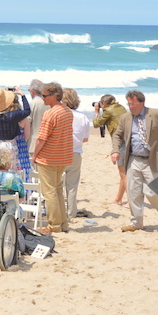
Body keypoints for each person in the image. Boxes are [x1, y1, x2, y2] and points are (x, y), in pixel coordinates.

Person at [111, 90, 158, 232]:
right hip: (133, 159)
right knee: (133, 192)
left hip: (152, 160)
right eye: (129, 104)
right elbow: (117, 135)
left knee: (153, 192)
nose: (131, 107)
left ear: (142, 102)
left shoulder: (156, 114)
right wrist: (115, 150)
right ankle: (136, 223)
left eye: (133, 104)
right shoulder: (125, 117)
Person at [32, 82, 73, 234]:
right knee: (57, 190)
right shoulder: (67, 111)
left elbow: (41, 138)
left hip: (49, 157)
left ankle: (54, 225)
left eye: (45, 95)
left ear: (54, 96)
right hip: (62, 156)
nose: (42, 98)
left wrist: (35, 155)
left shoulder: (50, 113)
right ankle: (63, 223)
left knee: (49, 192)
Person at [0, 87, 30, 177]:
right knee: (9, 173)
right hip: (9, 145)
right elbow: (27, 111)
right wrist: (22, 95)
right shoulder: (12, 115)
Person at [93, 94, 128, 206]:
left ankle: (131, 202)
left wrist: (97, 112)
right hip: (129, 139)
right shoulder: (121, 107)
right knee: (123, 172)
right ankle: (118, 199)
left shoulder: (107, 111)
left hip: (120, 142)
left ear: (103, 104)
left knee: (123, 173)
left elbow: (96, 124)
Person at [62, 88, 89, 219]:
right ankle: (71, 213)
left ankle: (59, 212)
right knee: (72, 186)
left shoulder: (61, 114)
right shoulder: (83, 117)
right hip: (75, 153)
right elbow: (85, 139)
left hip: (61, 152)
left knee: (57, 185)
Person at [27, 79, 49, 158]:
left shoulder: (33, 103)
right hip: (47, 143)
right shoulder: (49, 102)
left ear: (32, 91)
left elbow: (28, 123)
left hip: (34, 143)